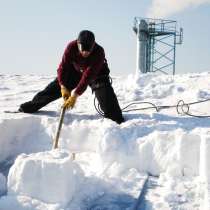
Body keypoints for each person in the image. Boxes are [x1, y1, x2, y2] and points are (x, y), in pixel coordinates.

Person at [19, 30, 124, 124]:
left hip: (97, 75)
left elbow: (88, 76)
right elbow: (62, 68)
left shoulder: (99, 52)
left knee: (114, 114)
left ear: (93, 45)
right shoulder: (71, 47)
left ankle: (116, 118)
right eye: (83, 50)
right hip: (75, 72)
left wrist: (75, 95)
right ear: (78, 44)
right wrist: (62, 86)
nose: (85, 53)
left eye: (88, 51)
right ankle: (30, 106)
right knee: (54, 88)